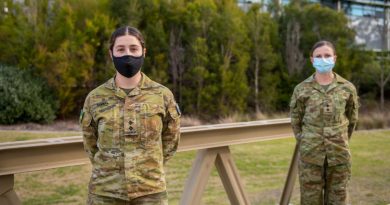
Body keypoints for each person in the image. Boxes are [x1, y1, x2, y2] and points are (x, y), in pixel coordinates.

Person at [80, 26, 181, 205]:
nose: (128, 55)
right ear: (111, 54)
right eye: (121, 49)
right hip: (105, 193)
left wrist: (148, 166)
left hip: (150, 192)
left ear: (144, 52)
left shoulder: (163, 95)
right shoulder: (95, 98)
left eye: (133, 49)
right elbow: (91, 145)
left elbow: (170, 141)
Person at [290, 40, 359, 205]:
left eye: (327, 55)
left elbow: (352, 120)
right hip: (310, 156)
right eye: (319, 56)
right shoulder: (301, 89)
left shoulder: (347, 88)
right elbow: (296, 122)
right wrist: (308, 141)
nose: (323, 59)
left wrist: (339, 139)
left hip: (339, 155)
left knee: (338, 200)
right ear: (312, 60)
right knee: (310, 201)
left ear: (335, 58)